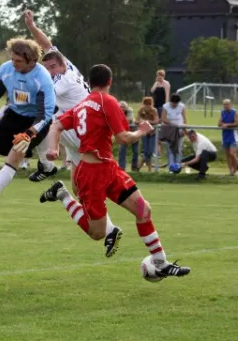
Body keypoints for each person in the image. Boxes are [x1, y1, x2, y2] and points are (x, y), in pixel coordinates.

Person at [40, 64, 191, 279]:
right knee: (97, 233)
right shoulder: (107, 101)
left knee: (143, 210)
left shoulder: (83, 104)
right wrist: (142, 131)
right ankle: (62, 195)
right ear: (110, 82)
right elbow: (123, 138)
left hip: (107, 168)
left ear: (90, 83)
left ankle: (160, 262)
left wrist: (54, 148)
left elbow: (56, 126)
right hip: (91, 175)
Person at [23, 9, 122, 256]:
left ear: (61, 65)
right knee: (80, 190)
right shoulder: (67, 67)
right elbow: (47, 45)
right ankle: (108, 228)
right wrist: (33, 27)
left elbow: (40, 98)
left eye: (53, 67)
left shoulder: (63, 81)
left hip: (80, 136)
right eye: (48, 68)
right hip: (78, 137)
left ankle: (44, 165)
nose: (51, 71)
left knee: (42, 117)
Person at [0, 37, 56, 214]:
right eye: (12, 59)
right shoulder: (6, 69)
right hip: (13, 115)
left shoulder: (42, 78)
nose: (13, 63)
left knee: (14, 156)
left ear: (31, 60)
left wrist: (28, 134)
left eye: (18, 61)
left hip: (35, 122)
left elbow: (45, 114)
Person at [161, 93, 187, 166]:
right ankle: (171, 167)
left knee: (179, 149)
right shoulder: (165, 106)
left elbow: (184, 119)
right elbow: (163, 119)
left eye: (176, 103)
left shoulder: (182, 106)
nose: (175, 105)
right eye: (173, 103)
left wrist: (184, 130)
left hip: (180, 130)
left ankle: (178, 166)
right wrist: (173, 124)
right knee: (170, 149)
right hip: (170, 131)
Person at [135, 97, 159, 172]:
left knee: (150, 151)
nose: (147, 106)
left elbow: (156, 121)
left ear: (151, 105)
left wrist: (146, 121)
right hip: (144, 132)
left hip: (152, 133)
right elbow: (136, 121)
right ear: (144, 104)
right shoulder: (141, 110)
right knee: (146, 151)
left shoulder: (154, 110)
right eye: (146, 104)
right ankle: (149, 169)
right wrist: (141, 122)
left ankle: (139, 165)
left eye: (149, 105)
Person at [218, 99, 238, 175]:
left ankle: (235, 170)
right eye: (224, 104)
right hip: (225, 136)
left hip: (233, 136)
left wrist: (227, 125)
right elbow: (219, 123)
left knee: (232, 154)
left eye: (227, 104)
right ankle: (230, 171)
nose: (226, 106)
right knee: (227, 155)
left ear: (230, 105)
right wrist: (222, 124)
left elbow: (237, 123)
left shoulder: (235, 112)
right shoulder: (222, 112)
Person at [118, 101, 139, 171]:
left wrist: (119, 120)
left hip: (133, 133)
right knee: (122, 151)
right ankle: (121, 168)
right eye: (120, 107)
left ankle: (134, 167)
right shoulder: (117, 111)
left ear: (126, 108)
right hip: (124, 134)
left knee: (135, 151)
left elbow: (129, 120)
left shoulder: (130, 110)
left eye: (123, 107)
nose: (122, 109)